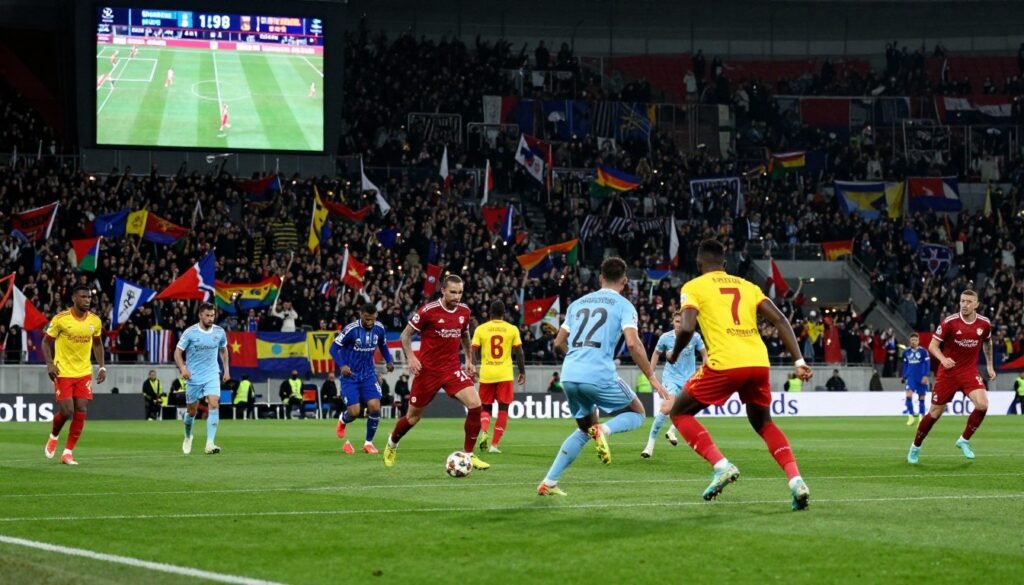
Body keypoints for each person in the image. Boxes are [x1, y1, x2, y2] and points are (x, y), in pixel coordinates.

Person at [667, 239, 813, 511]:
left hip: (725, 363)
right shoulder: (747, 286)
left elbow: (686, 328)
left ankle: (721, 465)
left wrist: (674, 354)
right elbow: (780, 319)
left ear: (698, 264)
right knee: (764, 424)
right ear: (725, 264)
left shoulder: (693, 287)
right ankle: (796, 480)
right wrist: (799, 360)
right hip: (758, 362)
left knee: (679, 413)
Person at [537, 257, 665, 496]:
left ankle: (549, 482)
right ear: (624, 281)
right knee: (638, 413)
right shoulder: (624, 305)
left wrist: (576, 358)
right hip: (598, 373)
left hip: (570, 374)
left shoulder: (577, 304)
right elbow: (633, 343)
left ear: (600, 278)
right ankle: (603, 430)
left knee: (583, 430)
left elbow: (558, 343)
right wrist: (651, 375)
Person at [383, 275, 490, 470]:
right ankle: (392, 443)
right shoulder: (428, 311)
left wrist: (469, 359)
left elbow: (465, 334)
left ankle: (468, 454)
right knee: (412, 418)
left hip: (451, 369)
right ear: (443, 291)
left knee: (475, 405)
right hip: (427, 372)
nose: (457, 297)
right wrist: (411, 357)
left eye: (460, 293)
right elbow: (405, 335)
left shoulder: (464, 311)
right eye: (453, 292)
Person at [908, 290, 996, 464]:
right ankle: (915, 447)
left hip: (969, 372)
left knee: (983, 405)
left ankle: (964, 440)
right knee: (935, 413)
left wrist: (990, 365)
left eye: (969, 302)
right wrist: (943, 359)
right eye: (962, 301)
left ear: (976, 304)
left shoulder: (984, 323)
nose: (964, 304)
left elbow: (988, 342)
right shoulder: (950, 322)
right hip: (948, 373)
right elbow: (932, 346)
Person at [42, 285, 106, 465]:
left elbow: (98, 344)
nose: (87, 300)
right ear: (74, 299)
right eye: (83, 297)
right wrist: (49, 364)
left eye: (89, 297)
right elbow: (45, 343)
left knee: (81, 408)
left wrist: (102, 367)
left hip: (84, 371)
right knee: (67, 410)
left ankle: (67, 452)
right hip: (63, 371)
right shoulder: (61, 319)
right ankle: (54, 435)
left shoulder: (95, 321)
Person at [330, 302, 395, 454]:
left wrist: (389, 360)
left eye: (372, 318)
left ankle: (368, 443)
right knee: (354, 412)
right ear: (361, 315)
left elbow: (383, 346)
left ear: (376, 315)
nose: (369, 322)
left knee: (375, 406)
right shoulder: (351, 330)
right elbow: (333, 348)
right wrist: (342, 365)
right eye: (366, 318)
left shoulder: (379, 328)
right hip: (350, 376)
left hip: (368, 375)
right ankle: (343, 419)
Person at [642, 310, 706, 458]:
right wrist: (651, 373)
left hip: (689, 379)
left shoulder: (695, 337)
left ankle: (671, 431)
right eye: (677, 321)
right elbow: (656, 353)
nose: (679, 324)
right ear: (673, 322)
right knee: (667, 407)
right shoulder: (665, 338)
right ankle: (649, 446)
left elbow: (704, 354)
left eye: (682, 322)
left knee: (690, 409)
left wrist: (704, 370)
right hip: (671, 378)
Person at [174, 303, 230, 455]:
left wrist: (226, 370)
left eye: (213, 315)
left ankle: (210, 443)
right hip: (194, 377)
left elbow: (223, 350)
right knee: (192, 411)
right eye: (208, 315)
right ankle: (188, 436)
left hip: (212, 374)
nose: (211, 318)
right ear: (200, 315)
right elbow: (177, 352)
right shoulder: (190, 332)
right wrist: (183, 368)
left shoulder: (219, 332)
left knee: (214, 403)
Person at [471, 300, 525, 454]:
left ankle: (484, 431)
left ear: (490, 312)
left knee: (485, 407)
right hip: (505, 374)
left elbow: (473, 350)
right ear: (504, 313)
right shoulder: (512, 329)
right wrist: (522, 371)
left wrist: (473, 367)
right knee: (503, 408)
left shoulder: (481, 329)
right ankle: (494, 445)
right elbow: (519, 352)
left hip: (487, 374)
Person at [901, 333, 930, 425]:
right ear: (910, 341)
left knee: (921, 398)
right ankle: (911, 416)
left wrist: (925, 375)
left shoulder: (923, 351)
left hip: (920, 377)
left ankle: (921, 418)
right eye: (912, 340)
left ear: (918, 341)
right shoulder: (906, 352)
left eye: (915, 340)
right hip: (911, 378)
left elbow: (927, 364)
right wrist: (904, 375)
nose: (913, 342)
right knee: (908, 395)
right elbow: (905, 364)